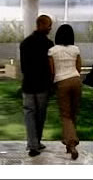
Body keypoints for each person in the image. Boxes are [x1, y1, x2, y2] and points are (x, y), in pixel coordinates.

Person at [19, 15, 54, 157]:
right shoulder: (49, 44)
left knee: (29, 114)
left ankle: (33, 144)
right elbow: (51, 67)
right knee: (40, 115)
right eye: (49, 25)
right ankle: (35, 143)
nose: (51, 28)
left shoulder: (25, 43)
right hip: (42, 85)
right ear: (42, 25)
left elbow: (23, 67)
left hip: (28, 84)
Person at [48, 24, 83, 160]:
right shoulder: (75, 49)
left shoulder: (52, 51)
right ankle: (68, 143)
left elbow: (51, 70)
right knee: (73, 113)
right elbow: (78, 67)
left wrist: (52, 84)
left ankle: (72, 143)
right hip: (75, 80)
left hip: (62, 82)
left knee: (65, 115)